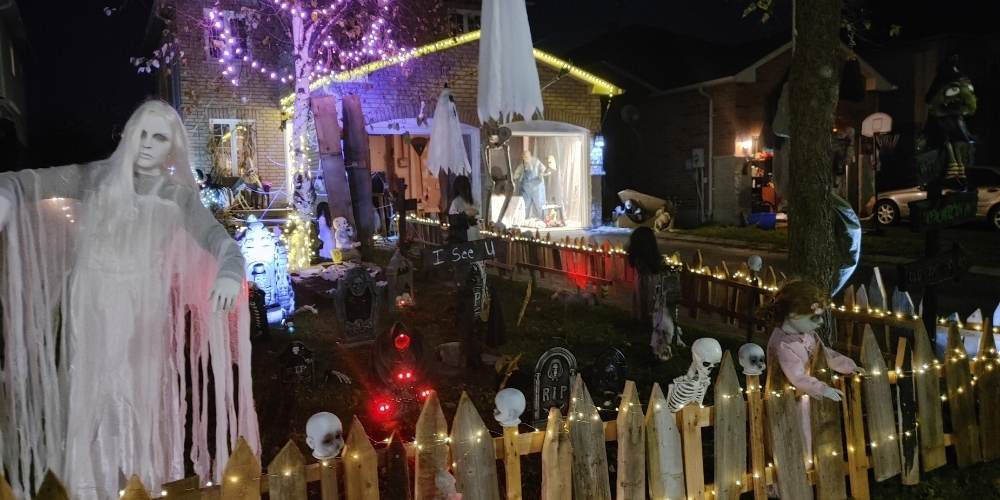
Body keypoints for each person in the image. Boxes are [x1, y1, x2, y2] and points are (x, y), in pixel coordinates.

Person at [0, 100, 258, 498]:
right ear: (129, 134)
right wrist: (6, 198)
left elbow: (220, 242)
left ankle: (140, 485)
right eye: (142, 133)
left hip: (143, 312)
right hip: (93, 307)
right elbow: (25, 182)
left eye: (160, 137)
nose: (148, 145)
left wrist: (228, 271)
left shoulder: (178, 198)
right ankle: (85, 488)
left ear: (173, 145)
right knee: (87, 401)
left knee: (140, 404)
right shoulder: (94, 178)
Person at [758, 281, 864, 463]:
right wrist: (822, 389)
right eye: (814, 318)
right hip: (789, 399)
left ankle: (811, 467)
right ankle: (799, 471)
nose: (821, 323)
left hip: (806, 396)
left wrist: (849, 366)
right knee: (797, 435)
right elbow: (797, 377)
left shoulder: (807, 336)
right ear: (793, 315)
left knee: (811, 432)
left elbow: (825, 354)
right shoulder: (783, 345)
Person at [627, 226, 684, 360]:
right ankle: (649, 324)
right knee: (650, 305)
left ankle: (647, 325)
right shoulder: (650, 257)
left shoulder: (639, 258)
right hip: (650, 282)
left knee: (646, 304)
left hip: (645, 282)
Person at [514, 150, 546, 220]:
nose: (525, 158)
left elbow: (543, 169)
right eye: (523, 157)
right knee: (526, 205)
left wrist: (541, 173)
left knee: (539, 204)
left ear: (530, 156)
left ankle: (544, 219)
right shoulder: (522, 165)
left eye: (526, 157)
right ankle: (525, 219)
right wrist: (515, 177)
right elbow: (516, 174)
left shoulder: (536, 162)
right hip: (526, 189)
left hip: (537, 188)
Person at [447, 175, 479, 243]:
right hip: (461, 238)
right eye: (464, 187)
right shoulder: (456, 202)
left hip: (473, 235)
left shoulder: (473, 201)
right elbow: (453, 220)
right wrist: (465, 214)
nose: (466, 190)